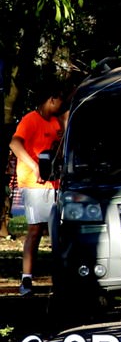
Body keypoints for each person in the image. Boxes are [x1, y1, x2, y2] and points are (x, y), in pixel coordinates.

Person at [10, 82, 65, 297]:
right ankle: (26, 279)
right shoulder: (30, 120)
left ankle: (61, 278)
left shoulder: (56, 122)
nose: (61, 105)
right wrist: (34, 167)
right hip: (34, 186)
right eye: (59, 101)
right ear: (51, 99)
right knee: (35, 230)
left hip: (55, 184)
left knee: (58, 232)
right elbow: (14, 144)